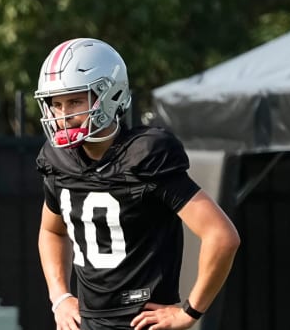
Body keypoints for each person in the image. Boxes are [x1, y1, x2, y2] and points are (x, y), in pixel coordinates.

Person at [34, 38, 241, 330]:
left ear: (110, 94)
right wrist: (60, 296)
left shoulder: (144, 154)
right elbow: (51, 230)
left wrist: (189, 312)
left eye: (75, 100)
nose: (64, 115)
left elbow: (222, 236)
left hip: (141, 323)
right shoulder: (58, 160)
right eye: (56, 104)